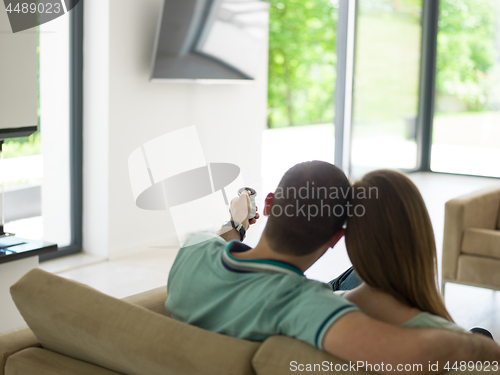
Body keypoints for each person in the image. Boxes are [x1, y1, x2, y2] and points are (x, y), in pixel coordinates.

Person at [165, 161, 500, 374]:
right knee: (374, 277)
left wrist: (237, 223)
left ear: (268, 205)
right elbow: (417, 354)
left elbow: (215, 242)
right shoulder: (304, 305)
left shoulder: (193, 251)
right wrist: (479, 343)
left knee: (357, 276)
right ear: (338, 237)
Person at [340, 169, 493, 338]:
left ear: (352, 237)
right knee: (482, 334)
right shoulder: (453, 342)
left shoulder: (322, 307)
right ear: (422, 233)